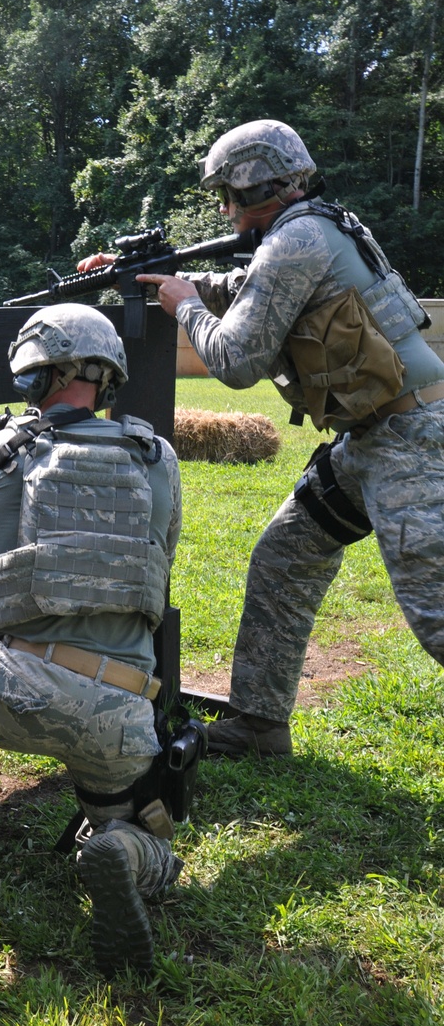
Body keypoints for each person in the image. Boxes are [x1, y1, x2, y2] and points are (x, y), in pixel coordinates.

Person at [80, 118, 444, 756]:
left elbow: (238, 361)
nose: (225, 209)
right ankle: (259, 722)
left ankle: (258, 721)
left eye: (228, 195)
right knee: (285, 559)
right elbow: (251, 290)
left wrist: (185, 306)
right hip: (373, 437)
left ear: (254, 189)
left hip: (409, 442)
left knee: (437, 612)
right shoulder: (316, 228)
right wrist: (152, 275)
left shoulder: (294, 241)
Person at [0, 307, 184, 976]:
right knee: (133, 829)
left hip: (22, 692)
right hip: (127, 711)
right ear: (106, 378)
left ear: (34, 376)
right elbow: (157, 562)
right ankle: (123, 852)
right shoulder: (156, 456)